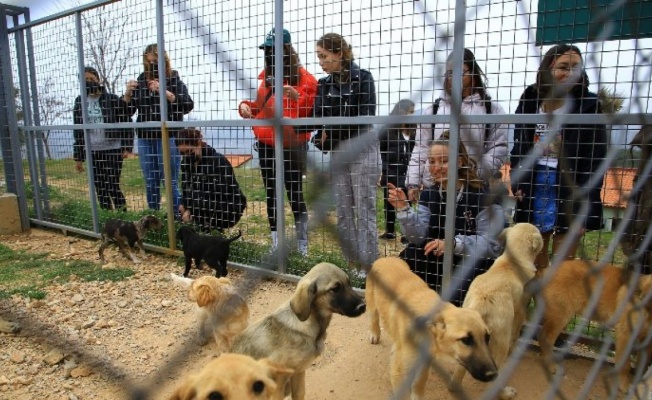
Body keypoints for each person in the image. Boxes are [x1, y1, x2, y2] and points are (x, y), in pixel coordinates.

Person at [510, 44, 607, 269]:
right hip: (535, 181)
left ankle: (558, 296)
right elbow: (519, 147)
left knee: (565, 258)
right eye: (563, 67)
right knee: (535, 251)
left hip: (570, 183)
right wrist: (517, 180)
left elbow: (596, 160)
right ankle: (543, 299)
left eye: (576, 68)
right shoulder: (530, 100)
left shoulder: (589, 106)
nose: (570, 73)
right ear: (548, 69)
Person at [389, 137, 505, 306]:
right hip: (438, 260)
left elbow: (493, 246)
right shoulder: (429, 194)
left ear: (459, 162)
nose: (436, 168)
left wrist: (454, 244)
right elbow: (418, 238)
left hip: (470, 263)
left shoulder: (482, 196)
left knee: (455, 299)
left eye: (444, 161)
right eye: (432, 161)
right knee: (406, 260)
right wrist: (403, 210)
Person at [238, 28, 317, 255]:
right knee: (271, 192)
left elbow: (309, 112)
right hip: (267, 144)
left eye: (273, 49)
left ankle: (302, 245)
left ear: (286, 49)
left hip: (292, 145)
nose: (270, 53)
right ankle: (276, 243)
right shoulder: (266, 80)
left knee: (295, 193)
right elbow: (258, 107)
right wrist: (245, 107)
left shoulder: (305, 79)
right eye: (267, 50)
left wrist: (297, 97)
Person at [313, 33, 380, 273]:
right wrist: (326, 131)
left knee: (364, 210)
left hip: (362, 149)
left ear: (339, 53)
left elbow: (363, 119)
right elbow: (318, 117)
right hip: (339, 152)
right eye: (318, 56)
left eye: (324, 56)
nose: (320, 61)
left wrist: (330, 129)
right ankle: (352, 264)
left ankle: (369, 266)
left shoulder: (363, 79)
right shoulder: (324, 84)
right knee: (343, 211)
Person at [406, 48, 508, 201]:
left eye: (462, 71)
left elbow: (498, 149)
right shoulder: (433, 111)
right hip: (437, 185)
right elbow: (421, 148)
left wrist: (472, 172)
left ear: (473, 73)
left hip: (473, 187)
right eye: (450, 73)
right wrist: (413, 183)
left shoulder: (491, 110)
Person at [122, 43, 194, 211]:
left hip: (168, 137)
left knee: (169, 181)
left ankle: (177, 218)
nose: (152, 66)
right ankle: (154, 220)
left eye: (155, 62)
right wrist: (127, 94)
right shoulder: (140, 82)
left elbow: (188, 105)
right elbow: (127, 111)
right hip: (146, 138)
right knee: (150, 180)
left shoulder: (174, 80)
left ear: (164, 61)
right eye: (148, 63)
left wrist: (165, 92)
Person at [73, 66, 133, 211]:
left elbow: (126, 120)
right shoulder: (80, 101)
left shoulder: (111, 99)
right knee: (100, 187)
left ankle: (122, 216)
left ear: (98, 80)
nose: (89, 82)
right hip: (93, 150)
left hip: (112, 148)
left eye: (91, 79)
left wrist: (127, 147)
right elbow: (78, 129)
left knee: (113, 185)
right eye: (85, 80)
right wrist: (79, 157)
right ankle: (108, 218)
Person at [176, 128, 247, 233]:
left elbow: (217, 194)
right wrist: (183, 205)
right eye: (182, 153)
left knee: (200, 210)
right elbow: (186, 189)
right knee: (174, 215)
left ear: (199, 143)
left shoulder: (217, 161)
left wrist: (192, 210)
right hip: (202, 204)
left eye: (189, 151)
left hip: (226, 206)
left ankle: (210, 231)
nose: (186, 156)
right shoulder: (186, 164)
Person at [378, 99, 416, 242]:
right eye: (410, 112)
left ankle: (407, 233)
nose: (413, 115)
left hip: (408, 171)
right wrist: (383, 170)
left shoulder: (414, 130)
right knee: (390, 201)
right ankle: (390, 231)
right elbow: (379, 151)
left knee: (407, 202)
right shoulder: (386, 130)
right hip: (391, 171)